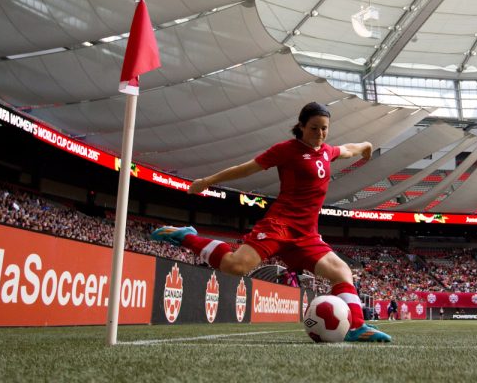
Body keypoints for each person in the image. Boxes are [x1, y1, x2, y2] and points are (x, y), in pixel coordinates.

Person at [150, 102, 391, 342]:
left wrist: (366, 146)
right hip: (280, 224)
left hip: (307, 233)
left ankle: (357, 327)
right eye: (314, 128)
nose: (320, 134)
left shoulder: (327, 151)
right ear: (302, 126)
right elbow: (245, 169)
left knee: (342, 272)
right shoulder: (286, 150)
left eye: (324, 129)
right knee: (236, 266)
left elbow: (348, 149)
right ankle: (185, 235)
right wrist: (207, 181)